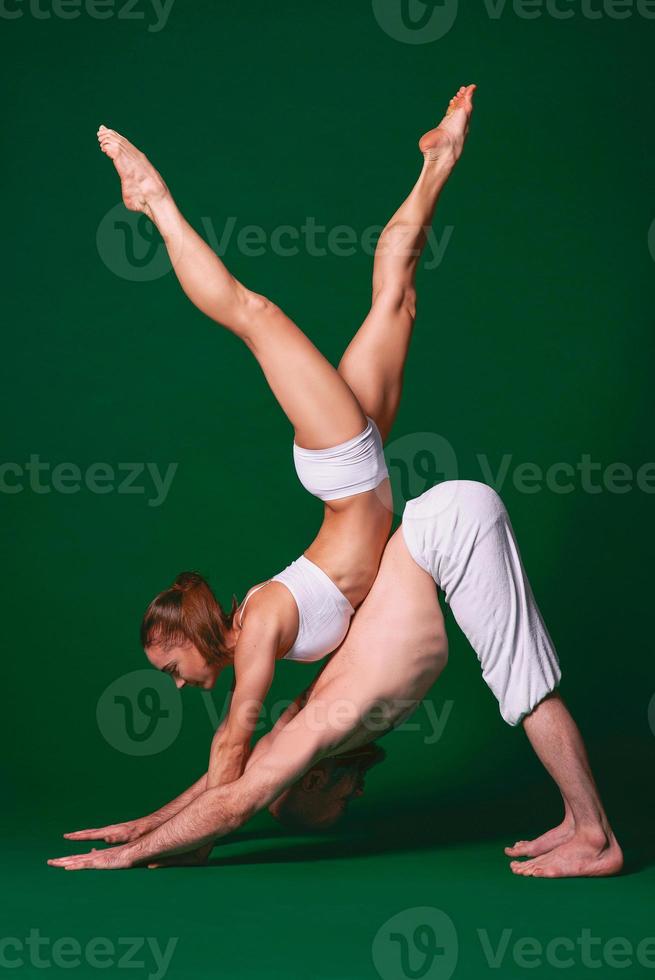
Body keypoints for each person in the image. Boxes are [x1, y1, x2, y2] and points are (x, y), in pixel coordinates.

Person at [94, 85, 477, 792]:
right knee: (396, 294)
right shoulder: (265, 626)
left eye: (172, 669)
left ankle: (152, 199)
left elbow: (238, 730)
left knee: (252, 313)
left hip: (343, 467)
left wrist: (188, 831)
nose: (180, 685)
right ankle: (439, 158)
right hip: (358, 466)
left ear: (193, 640)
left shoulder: (264, 619)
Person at [51, 481, 623, 878]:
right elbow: (235, 776)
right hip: (437, 528)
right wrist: (146, 825)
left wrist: (126, 856)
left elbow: (234, 801)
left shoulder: (313, 728)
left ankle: (595, 839)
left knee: (524, 689)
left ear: (310, 780)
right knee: (520, 685)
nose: (354, 798)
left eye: (298, 802)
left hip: (449, 527)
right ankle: (577, 821)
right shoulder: (303, 720)